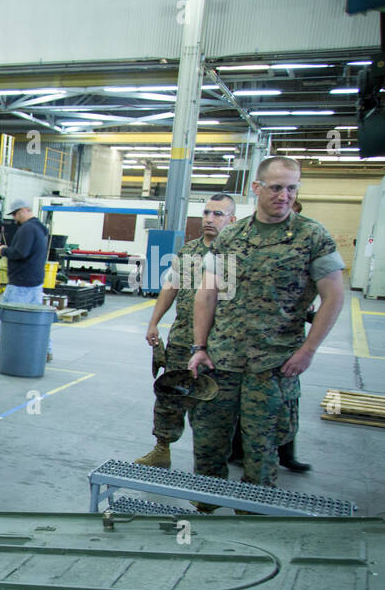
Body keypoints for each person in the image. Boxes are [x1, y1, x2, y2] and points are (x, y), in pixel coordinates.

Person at [188, 157, 345, 492]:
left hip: (275, 364)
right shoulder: (231, 235)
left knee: (262, 446)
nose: (284, 195)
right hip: (223, 358)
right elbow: (207, 293)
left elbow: (334, 298)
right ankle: (205, 503)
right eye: (276, 188)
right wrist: (199, 347)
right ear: (257, 188)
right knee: (208, 438)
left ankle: (254, 515)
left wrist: (308, 351)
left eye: (292, 188)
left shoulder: (312, 236)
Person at [135, 193, 236, 468]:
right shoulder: (189, 251)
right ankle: (161, 450)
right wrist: (154, 321)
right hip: (181, 340)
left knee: (211, 409)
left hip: (219, 346)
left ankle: (209, 472)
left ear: (232, 220)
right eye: (206, 213)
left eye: (218, 214)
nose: (209, 219)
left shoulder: (235, 255)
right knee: (170, 395)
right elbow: (171, 287)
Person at [0, 198, 52, 362]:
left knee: (5, 313)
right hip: (35, 281)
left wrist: (4, 251)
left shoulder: (28, 229)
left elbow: (20, 252)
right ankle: (46, 349)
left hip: (21, 282)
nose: (15, 218)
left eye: (16, 214)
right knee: (37, 318)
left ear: (24, 210)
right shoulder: (39, 229)